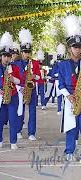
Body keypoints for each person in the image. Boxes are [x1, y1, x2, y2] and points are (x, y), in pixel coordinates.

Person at [0, 32, 21, 149]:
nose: (7, 58)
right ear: (1, 56)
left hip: (13, 96)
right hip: (0, 96)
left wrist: (12, 78)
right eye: (4, 56)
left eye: (9, 56)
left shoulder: (16, 67)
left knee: (13, 120)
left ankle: (13, 142)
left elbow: (20, 81)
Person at [58, 15, 81, 161]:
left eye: (79, 47)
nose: (78, 50)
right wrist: (68, 95)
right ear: (69, 48)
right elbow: (60, 84)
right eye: (75, 47)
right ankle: (69, 152)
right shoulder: (62, 65)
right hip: (70, 97)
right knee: (71, 126)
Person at [16, 28, 41, 141]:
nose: (27, 54)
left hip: (32, 89)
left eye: (28, 52)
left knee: (32, 112)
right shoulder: (16, 63)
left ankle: (31, 133)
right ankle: (18, 130)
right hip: (20, 89)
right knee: (20, 111)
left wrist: (33, 77)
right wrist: (19, 87)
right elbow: (14, 78)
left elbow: (39, 77)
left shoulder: (34, 63)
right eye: (25, 52)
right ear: (21, 52)